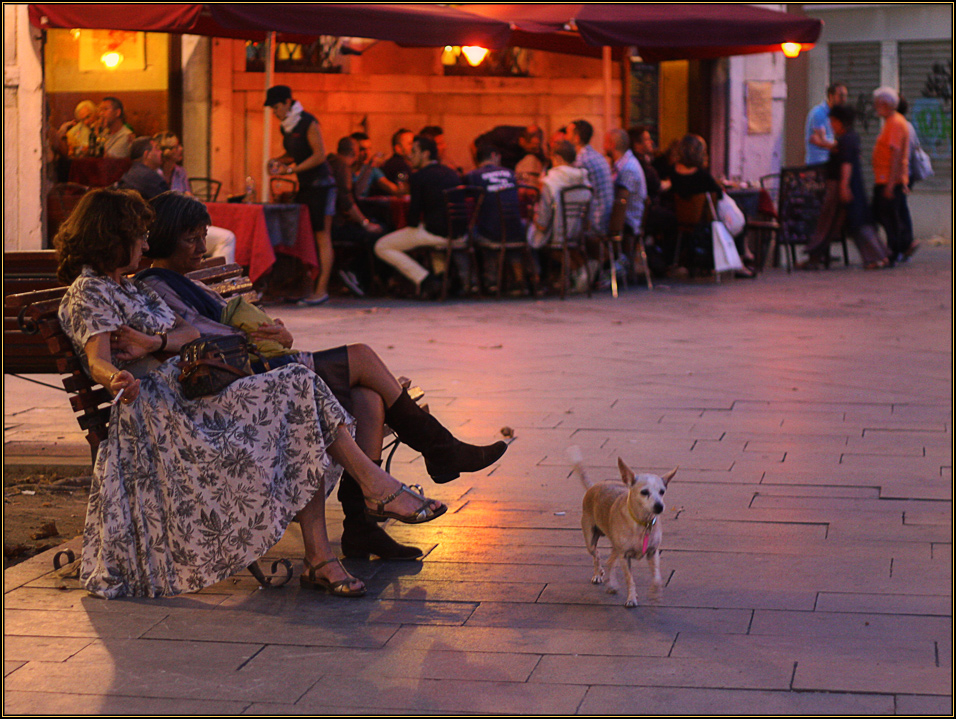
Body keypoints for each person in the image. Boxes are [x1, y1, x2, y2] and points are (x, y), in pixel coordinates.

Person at [54, 188, 448, 598]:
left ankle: (331, 544)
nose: (146, 242)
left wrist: (151, 343)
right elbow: (98, 357)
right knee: (296, 387)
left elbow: (187, 333)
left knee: (298, 394)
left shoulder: (131, 288)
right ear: (113, 236)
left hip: (192, 396)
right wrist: (115, 376)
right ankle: (371, 493)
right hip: (162, 416)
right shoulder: (90, 292)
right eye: (138, 234)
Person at [136, 191, 508, 560]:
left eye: (204, 235)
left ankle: (363, 526)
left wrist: (277, 332)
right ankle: (439, 450)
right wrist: (255, 335)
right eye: (191, 238)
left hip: (258, 370)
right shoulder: (156, 286)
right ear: (165, 236)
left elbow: (241, 324)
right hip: (246, 385)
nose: (202, 246)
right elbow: (203, 335)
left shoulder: (189, 282)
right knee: (361, 357)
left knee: (369, 397)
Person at [265, 85, 334, 306]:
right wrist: (278, 161)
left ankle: (322, 289)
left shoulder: (307, 121)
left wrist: (291, 170)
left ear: (287, 102)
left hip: (321, 185)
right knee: (308, 236)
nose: (275, 112)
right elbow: (293, 154)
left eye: (276, 107)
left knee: (322, 236)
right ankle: (307, 286)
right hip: (306, 186)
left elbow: (319, 155)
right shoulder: (286, 126)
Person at [801, 105, 889, 270]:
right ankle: (879, 256)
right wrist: (822, 143)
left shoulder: (847, 139)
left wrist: (844, 186)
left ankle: (877, 257)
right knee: (850, 223)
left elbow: (846, 163)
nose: (831, 125)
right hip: (850, 186)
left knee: (842, 223)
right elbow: (837, 149)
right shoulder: (849, 138)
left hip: (843, 186)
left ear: (839, 122)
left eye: (833, 121)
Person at [374, 135, 463, 298]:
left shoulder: (419, 177)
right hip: (460, 234)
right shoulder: (452, 174)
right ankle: (443, 279)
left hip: (436, 234)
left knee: (382, 246)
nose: (409, 155)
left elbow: (412, 219)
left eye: (414, 151)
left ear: (426, 154)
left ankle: (425, 279)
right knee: (430, 235)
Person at [153, 131, 236, 264]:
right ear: (166, 151)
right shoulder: (153, 174)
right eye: (176, 146)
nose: (181, 149)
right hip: (166, 227)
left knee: (226, 236)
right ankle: (217, 280)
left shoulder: (180, 172)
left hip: (185, 224)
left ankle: (218, 279)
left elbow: (189, 198)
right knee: (226, 238)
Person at [327, 136, 385, 294]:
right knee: (378, 235)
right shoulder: (343, 167)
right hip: (337, 225)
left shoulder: (331, 162)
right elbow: (347, 200)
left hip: (330, 223)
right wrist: (365, 223)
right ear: (355, 152)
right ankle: (356, 273)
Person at [464, 144, 526, 291]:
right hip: (515, 232)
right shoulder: (511, 173)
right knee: (513, 228)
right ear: (494, 156)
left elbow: (466, 199)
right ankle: (521, 279)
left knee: (472, 232)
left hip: (489, 233)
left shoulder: (472, 176)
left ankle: (485, 281)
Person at [870, 86, 914, 265]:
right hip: (886, 178)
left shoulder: (895, 123)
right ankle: (897, 247)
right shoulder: (892, 122)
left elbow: (895, 153)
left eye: (877, 103)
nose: (875, 107)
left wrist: (890, 184)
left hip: (887, 179)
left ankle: (896, 249)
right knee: (886, 215)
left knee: (886, 215)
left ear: (885, 103)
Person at [527, 140, 591, 249]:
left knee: (525, 230)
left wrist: (532, 216)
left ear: (558, 158)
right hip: (579, 235)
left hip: (557, 237)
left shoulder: (550, 182)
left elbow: (543, 223)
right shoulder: (585, 181)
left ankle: (535, 266)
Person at [567, 119, 613, 236]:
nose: (565, 138)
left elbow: (572, 193)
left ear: (576, 138)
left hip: (596, 220)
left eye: (568, 134)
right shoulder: (597, 156)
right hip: (608, 217)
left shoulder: (581, 160)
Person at [605, 128, 648, 238]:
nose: (603, 146)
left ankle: (611, 254)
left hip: (629, 222)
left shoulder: (628, 168)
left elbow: (620, 202)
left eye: (605, 142)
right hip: (627, 219)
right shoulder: (624, 163)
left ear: (612, 145)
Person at [471, 124, 545, 173]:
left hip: (508, 171)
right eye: (532, 149)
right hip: (492, 168)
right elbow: (474, 145)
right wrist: (480, 168)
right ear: (522, 141)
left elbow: (544, 161)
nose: (535, 151)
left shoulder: (535, 146)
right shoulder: (502, 134)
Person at [805, 83, 848, 166]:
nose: (844, 100)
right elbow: (821, 141)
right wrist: (842, 146)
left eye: (845, 96)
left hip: (830, 163)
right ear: (831, 96)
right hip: (818, 164)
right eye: (841, 96)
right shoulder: (819, 113)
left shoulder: (836, 115)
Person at [116, 136, 169, 200]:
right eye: (157, 149)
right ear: (146, 154)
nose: (161, 152)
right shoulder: (153, 179)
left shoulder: (125, 173)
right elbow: (168, 206)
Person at [349, 131, 396, 198]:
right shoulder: (343, 169)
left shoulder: (372, 169)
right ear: (352, 150)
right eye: (362, 149)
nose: (367, 153)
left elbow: (391, 187)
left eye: (369, 149)